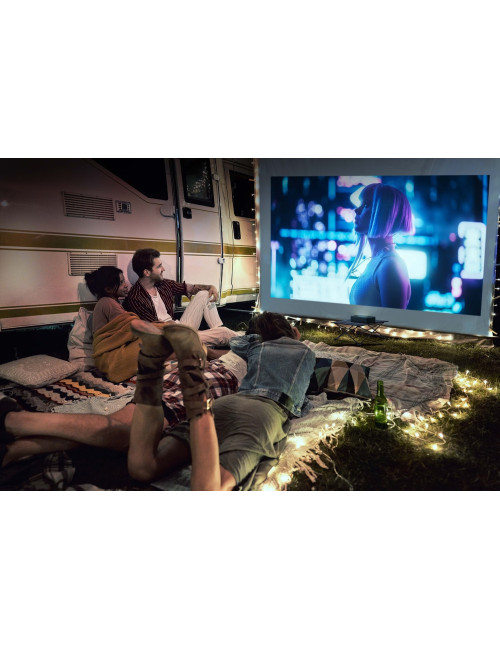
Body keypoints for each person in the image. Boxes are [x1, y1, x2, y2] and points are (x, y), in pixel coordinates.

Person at [126, 311, 316, 490]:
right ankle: (198, 397)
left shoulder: (256, 345)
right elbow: (307, 390)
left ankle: (151, 372)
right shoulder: (306, 351)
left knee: (143, 468)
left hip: (226, 403)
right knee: (210, 489)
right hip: (264, 412)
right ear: (291, 332)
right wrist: (295, 337)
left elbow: (235, 342)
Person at [123, 248, 235, 346]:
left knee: (205, 294)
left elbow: (191, 288)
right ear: (147, 272)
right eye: (159, 266)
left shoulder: (163, 284)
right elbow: (154, 329)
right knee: (224, 333)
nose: (163, 269)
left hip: (177, 327)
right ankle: (228, 338)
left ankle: (217, 333)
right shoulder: (135, 298)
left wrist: (210, 287)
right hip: (168, 338)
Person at [347, 183, 414, 309]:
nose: (356, 210)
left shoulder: (390, 265)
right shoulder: (379, 261)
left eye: (366, 205)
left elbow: (392, 320)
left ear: (383, 213)